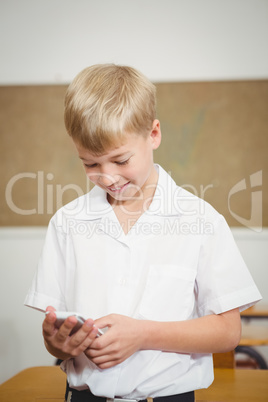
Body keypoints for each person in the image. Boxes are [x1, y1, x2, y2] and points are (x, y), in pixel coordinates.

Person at [25, 64, 262, 402]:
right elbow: (53, 336)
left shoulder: (201, 220)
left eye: (121, 160)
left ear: (153, 134)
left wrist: (143, 335)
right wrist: (57, 341)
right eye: (91, 164)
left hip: (169, 397)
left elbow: (228, 332)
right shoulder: (67, 223)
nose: (107, 177)